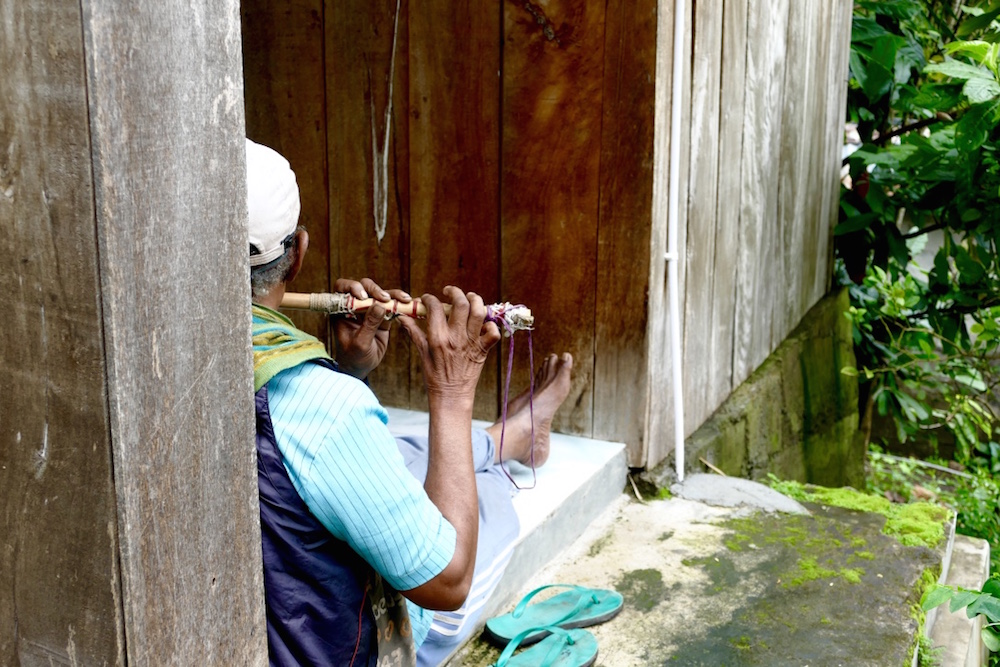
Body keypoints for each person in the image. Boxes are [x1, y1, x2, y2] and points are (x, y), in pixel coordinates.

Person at [246, 138, 573, 666]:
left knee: (401, 449)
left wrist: (347, 372)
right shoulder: (325, 406)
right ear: (298, 254)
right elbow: (448, 581)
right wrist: (451, 391)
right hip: (341, 647)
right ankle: (505, 439)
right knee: (488, 513)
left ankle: (504, 438)